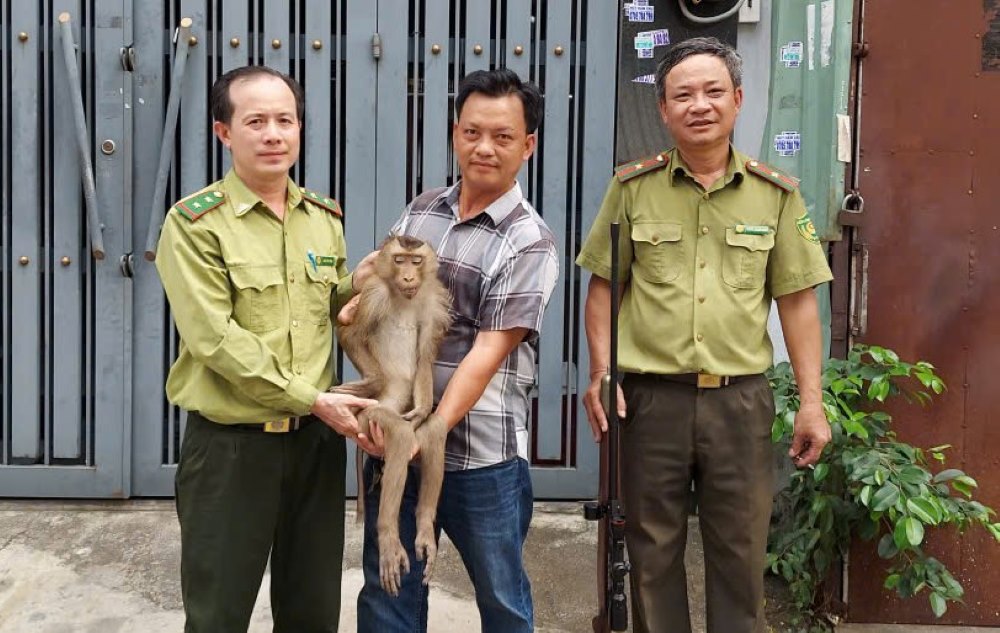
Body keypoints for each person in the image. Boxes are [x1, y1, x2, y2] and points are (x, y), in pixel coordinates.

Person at [576, 37, 833, 633]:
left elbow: (797, 302)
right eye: (682, 94)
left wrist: (812, 403)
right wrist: (600, 371)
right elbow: (602, 290)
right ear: (663, 110)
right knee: (650, 554)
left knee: (740, 553)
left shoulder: (775, 195)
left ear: (737, 100)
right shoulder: (632, 188)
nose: (700, 104)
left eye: (713, 91)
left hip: (739, 402)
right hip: (650, 401)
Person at [155, 65, 378, 633]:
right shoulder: (194, 223)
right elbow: (214, 339)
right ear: (224, 132)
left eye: (286, 120)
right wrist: (312, 397)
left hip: (315, 448)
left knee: (312, 611)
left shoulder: (323, 219)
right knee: (217, 614)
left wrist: (359, 287)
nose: (273, 134)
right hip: (232, 451)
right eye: (255, 121)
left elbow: (322, 312)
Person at [353, 68, 559, 633]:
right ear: (454, 133)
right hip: (399, 436)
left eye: (502, 136)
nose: (484, 147)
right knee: (387, 591)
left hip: (481, 457)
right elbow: (373, 297)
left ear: (528, 145)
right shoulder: (421, 213)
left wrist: (431, 429)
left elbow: (488, 352)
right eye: (472, 132)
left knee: (502, 600)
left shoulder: (529, 240)